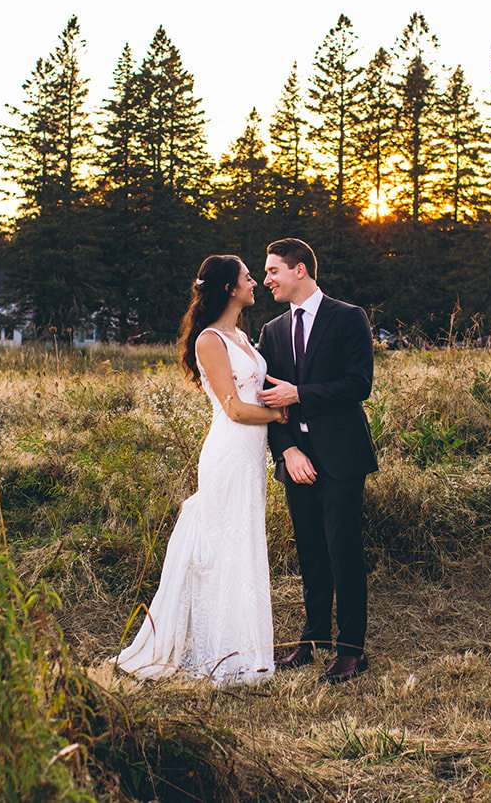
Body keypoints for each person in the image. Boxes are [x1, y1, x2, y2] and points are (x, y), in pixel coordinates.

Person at [114, 255, 285, 685]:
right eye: (249, 278)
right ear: (230, 288)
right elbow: (235, 409)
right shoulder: (210, 340)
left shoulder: (242, 337)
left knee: (243, 542)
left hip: (251, 457)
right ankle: (218, 652)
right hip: (229, 453)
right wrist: (285, 414)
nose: (255, 283)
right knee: (223, 547)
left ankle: (245, 647)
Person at [257, 238, 378, 684]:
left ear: (301, 270)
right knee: (309, 551)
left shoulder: (349, 318)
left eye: (273, 270)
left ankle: (351, 650)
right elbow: (266, 400)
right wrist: (288, 450)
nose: (267, 279)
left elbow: (358, 384)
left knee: (343, 551)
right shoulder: (271, 331)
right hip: (297, 459)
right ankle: (312, 639)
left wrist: (300, 394)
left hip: (342, 457)